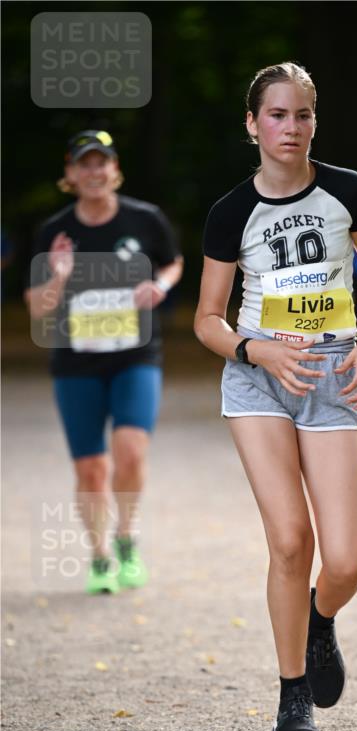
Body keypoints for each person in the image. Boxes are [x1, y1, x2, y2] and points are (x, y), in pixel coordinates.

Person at [195, 62, 357, 731]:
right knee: (289, 539)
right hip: (258, 380)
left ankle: (317, 620)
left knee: (344, 562)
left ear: (314, 121)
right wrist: (255, 350)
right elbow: (206, 320)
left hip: (335, 371)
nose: (291, 127)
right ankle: (292, 698)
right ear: (252, 124)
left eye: (302, 114)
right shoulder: (230, 212)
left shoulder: (347, 190)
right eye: (276, 115)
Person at [25, 130, 183, 593]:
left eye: (102, 162)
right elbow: (36, 306)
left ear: (115, 170)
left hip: (136, 356)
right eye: (84, 164)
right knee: (91, 469)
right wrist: (57, 277)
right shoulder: (54, 231)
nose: (94, 171)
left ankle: (127, 535)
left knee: (130, 451)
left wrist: (161, 285)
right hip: (77, 364)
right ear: (70, 175)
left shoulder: (146, 219)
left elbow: (173, 262)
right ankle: (99, 557)